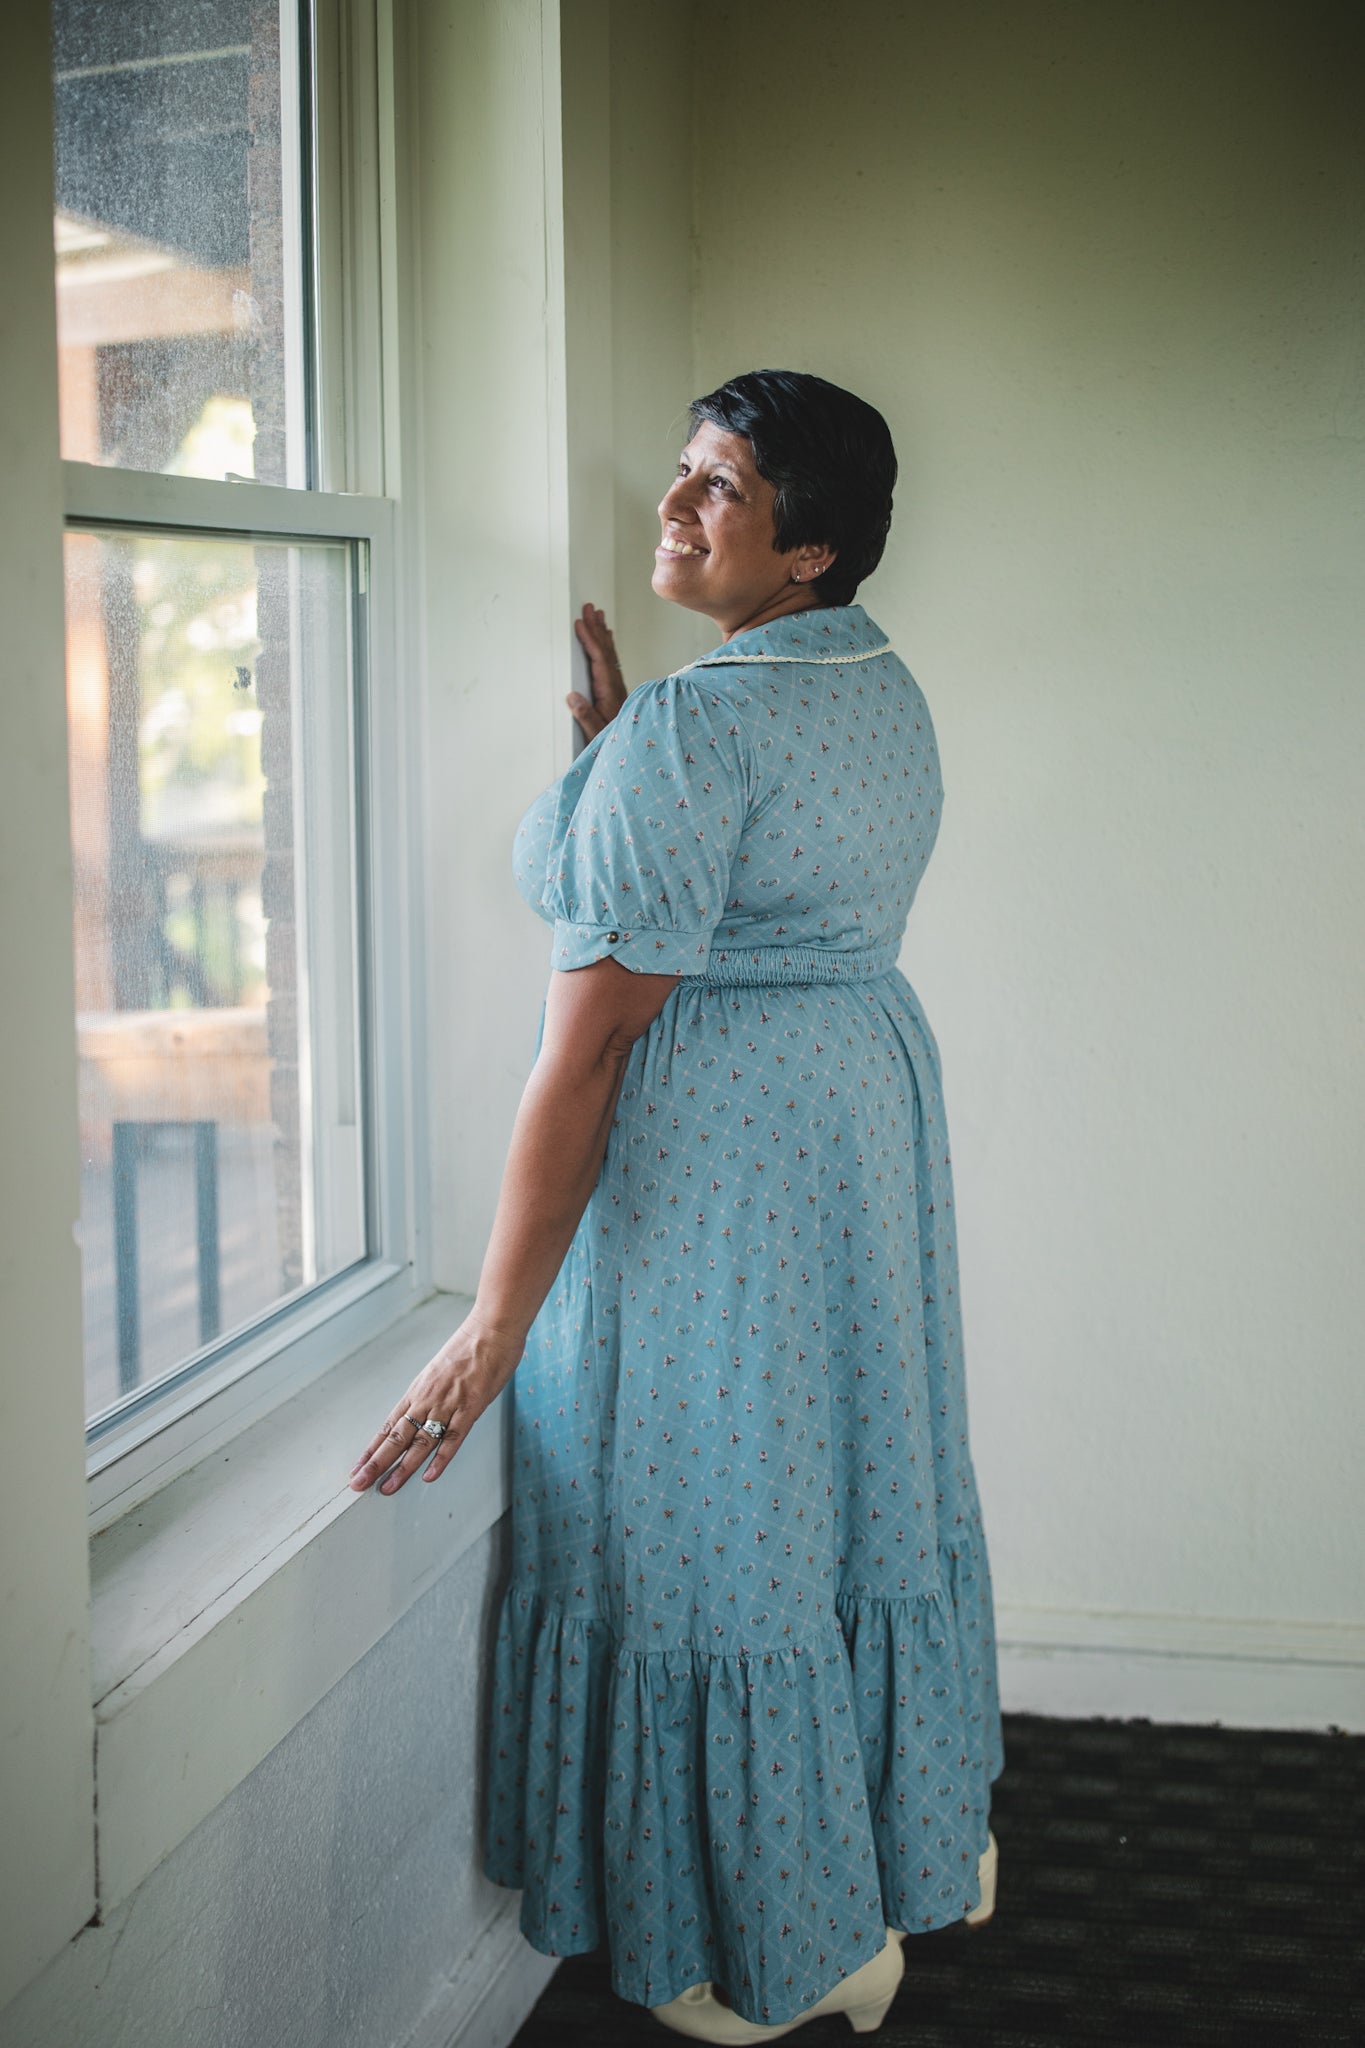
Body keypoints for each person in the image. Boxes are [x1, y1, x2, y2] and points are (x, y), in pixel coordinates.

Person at [349, 370, 1003, 2041]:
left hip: (720, 1160)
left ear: (809, 547)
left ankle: (781, 1937)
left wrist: (492, 1328)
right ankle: (894, 1839)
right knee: (840, 1481)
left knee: (712, 1531)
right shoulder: (869, 677)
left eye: (720, 487)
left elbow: (578, 1067)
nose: (673, 505)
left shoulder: (701, 729)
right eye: (685, 473)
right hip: (852, 1115)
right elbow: (775, 870)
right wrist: (610, 764)